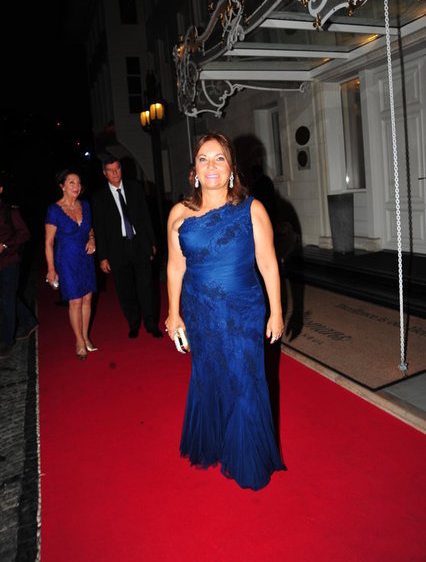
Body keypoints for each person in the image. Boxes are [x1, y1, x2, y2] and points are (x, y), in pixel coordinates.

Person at [165, 133, 285, 490]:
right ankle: (217, 443)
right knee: (210, 376)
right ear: (194, 170)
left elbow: (268, 264)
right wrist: (173, 313)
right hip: (199, 311)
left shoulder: (252, 209)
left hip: (242, 312)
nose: (212, 166)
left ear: (232, 168)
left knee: (245, 380)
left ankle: (249, 461)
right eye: (203, 159)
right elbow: (175, 267)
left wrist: (276, 311)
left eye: (220, 158)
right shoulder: (179, 213)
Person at [92, 156, 162, 339]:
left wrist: (151, 243)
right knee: (125, 289)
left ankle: (151, 324)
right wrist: (103, 257)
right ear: (105, 173)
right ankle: (133, 323)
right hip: (117, 248)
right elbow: (100, 228)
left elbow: (146, 216)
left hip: (139, 243)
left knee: (146, 285)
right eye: (110, 170)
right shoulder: (99, 198)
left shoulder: (134, 188)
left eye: (117, 168)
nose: (115, 173)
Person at [45, 170, 97, 360]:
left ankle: (85, 336)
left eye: (78, 183)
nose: (76, 186)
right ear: (62, 186)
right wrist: (51, 269)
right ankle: (79, 341)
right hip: (66, 260)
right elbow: (49, 242)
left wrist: (92, 239)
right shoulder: (54, 210)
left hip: (86, 258)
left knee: (87, 300)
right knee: (75, 301)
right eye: (71, 183)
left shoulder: (85, 205)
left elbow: (89, 228)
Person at [0, 174, 37, 358]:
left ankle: (7, 341)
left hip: (9, 261)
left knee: (6, 299)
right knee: (8, 297)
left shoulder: (10, 212)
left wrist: (5, 245)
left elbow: (25, 234)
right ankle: (29, 321)